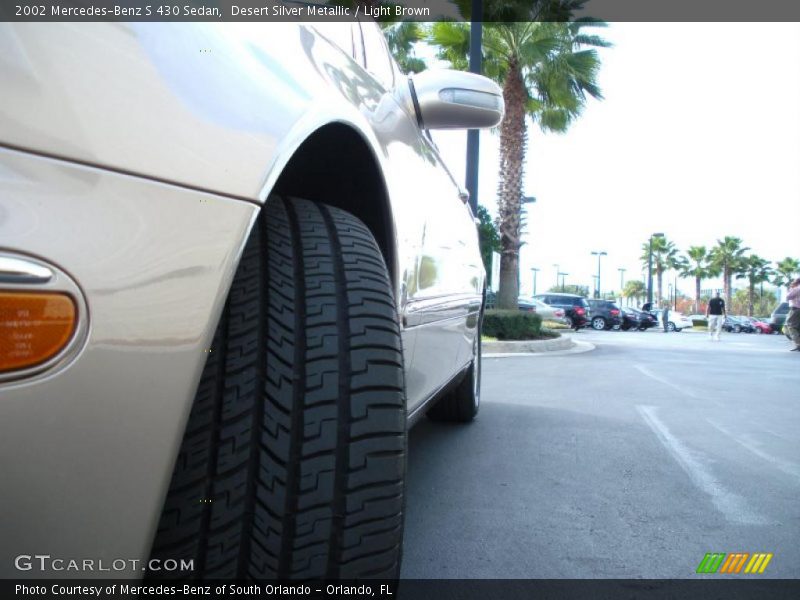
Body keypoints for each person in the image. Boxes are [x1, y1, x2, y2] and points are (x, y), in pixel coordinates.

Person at [786, 277, 800, 351]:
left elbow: (788, 297)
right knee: (798, 326)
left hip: (796, 309)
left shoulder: (796, 288)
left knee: (791, 325)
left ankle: (798, 344)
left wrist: (791, 288)